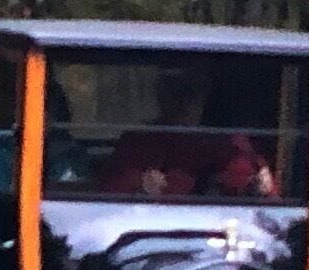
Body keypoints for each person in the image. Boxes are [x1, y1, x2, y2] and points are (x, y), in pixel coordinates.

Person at [97, 71, 276, 199]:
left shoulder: (232, 144)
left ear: (203, 97)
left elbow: (268, 198)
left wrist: (258, 189)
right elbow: (106, 198)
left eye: (191, 92)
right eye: (175, 92)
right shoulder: (138, 142)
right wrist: (140, 188)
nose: (183, 101)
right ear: (161, 97)